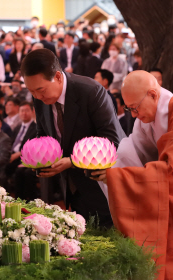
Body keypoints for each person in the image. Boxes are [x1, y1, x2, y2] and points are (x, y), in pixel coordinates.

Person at [91, 71, 173, 280]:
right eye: (129, 109)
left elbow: (170, 174)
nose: (133, 115)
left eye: (135, 108)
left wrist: (115, 177)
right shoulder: (148, 117)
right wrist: (108, 168)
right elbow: (131, 154)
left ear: (152, 94)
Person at [21, 49, 126, 228]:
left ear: (58, 77)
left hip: (101, 182)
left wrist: (72, 161)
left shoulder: (91, 91)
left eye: (40, 90)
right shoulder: (40, 98)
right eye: (32, 92)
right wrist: (42, 159)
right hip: (70, 185)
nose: (37, 97)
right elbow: (43, 134)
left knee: (107, 235)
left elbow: (111, 140)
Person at [8, 101, 38, 199]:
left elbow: (33, 147)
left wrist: (18, 154)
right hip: (11, 156)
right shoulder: (17, 128)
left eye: (26, 110)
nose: (24, 113)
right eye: (21, 111)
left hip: (25, 157)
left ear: (32, 111)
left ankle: (21, 201)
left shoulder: (36, 128)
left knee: (21, 172)